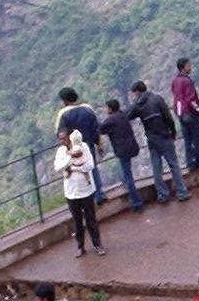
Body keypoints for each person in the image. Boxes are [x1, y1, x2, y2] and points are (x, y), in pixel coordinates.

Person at [127, 81, 190, 203]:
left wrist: (134, 104)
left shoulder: (138, 105)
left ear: (138, 92)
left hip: (151, 139)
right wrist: (173, 132)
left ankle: (162, 195)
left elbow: (128, 115)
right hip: (164, 136)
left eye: (134, 93)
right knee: (174, 165)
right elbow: (168, 117)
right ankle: (182, 192)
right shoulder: (157, 99)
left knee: (156, 168)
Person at [54, 128, 104, 257]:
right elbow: (58, 167)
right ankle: (80, 246)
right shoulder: (61, 151)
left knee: (91, 219)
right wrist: (71, 157)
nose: (62, 141)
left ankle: (97, 244)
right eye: (60, 139)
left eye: (64, 138)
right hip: (71, 192)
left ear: (70, 137)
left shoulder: (84, 146)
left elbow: (90, 166)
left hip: (86, 190)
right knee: (77, 221)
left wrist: (73, 168)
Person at [54, 87, 105, 204]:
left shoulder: (64, 114)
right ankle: (99, 194)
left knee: (78, 171)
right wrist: (99, 145)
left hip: (75, 149)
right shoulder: (87, 109)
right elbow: (96, 129)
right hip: (89, 144)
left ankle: (86, 198)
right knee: (92, 168)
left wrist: (66, 149)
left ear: (65, 100)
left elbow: (61, 133)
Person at [99, 97, 145, 211]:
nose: (105, 109)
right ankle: (129, 191)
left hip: (122, 150)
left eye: (106, 108)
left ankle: (137, 203)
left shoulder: (111, 120)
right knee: (126, 174)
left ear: (110, 108)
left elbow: (100, 129)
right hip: (132, 146)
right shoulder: (123, 115)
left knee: (128, 177)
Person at [172, 58, 199, 172]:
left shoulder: (175, 81)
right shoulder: (187, 81)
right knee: (197, 139)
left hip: (181, 114)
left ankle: (190, 163)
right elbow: (190, 100)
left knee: (187, 140)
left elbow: (179, 98)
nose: (190, 67)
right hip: (190, 114)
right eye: (189, 65)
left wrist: (178, 113)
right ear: (183, 67)